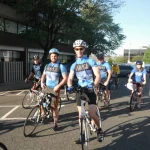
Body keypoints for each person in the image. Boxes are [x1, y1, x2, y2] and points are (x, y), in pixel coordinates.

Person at [67, 39, 104, 144]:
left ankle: (99, 130)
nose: (79, 51)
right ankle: (82, 136)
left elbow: (98, 75)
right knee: (81, 115)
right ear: (75, 50)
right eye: (77, 49)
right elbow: (70, 78)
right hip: (80, 90)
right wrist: (69, 86)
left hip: (90, 89)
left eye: (81, 49)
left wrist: (94, 85)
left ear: (84, 49)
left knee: (92, 114)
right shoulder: (74, 65)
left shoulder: (90, 61)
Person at [40, 48, 68, 131]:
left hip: (55, 88)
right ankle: (43, 115)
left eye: (55, 56)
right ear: (50, 56)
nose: (53, 57)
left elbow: (65, 78)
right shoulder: (47, 66)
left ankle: (55, 124)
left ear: (57, 57)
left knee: (54, 107)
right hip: (46, 87)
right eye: (52, 56)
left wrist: (58, 86)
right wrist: (42, 82)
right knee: (42, 102)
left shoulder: (61, 66)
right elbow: (43, 75)